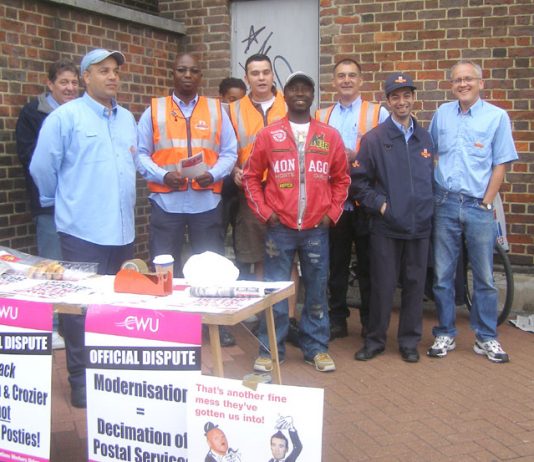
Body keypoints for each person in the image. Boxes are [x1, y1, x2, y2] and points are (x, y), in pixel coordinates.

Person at [30, 48, 138, 408]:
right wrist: (57, 200)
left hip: (122, 232)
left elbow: (133, 163)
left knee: (116, 306)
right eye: (102, 70)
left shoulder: (126, 119)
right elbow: (42, 166)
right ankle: (80, 378)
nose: (112, 76)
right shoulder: (65, 118)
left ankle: (110, 374)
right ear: (85, 77)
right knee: (79, 308)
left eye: (116, 71)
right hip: (82, 232)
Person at [243, 71, 350, 372]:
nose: (300, 93)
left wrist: (332, 214)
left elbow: (342, 179)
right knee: (276, 291)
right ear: (284, 95)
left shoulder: (328, 136)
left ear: (313, 95)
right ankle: (268, 350)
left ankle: (316, 348)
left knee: (317, 289)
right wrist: (266, 212)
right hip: (280, 229)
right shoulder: (269, 135)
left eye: (306, 88)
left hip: (316, 229)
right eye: (294, 88)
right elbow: (251, 177)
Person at [137, 53, 237, 347]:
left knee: (211, 266)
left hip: (205, 202)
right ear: (173, 73)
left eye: (194, 71)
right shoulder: (154, 110)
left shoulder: (216, 110)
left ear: (200, 76)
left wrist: (215, 174)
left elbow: (230, 151)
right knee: (164, 265)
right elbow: (140, 153)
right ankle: (168, 323)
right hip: (167, 201)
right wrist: (162, 174)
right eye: (182, 70)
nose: (188, 75)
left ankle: (214, 322)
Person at [427, 61, 518, 363]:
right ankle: (445, 332)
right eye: (457, 80)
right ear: (451, 85)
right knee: (442, 274)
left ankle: (486, 337)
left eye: (468, 79)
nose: (462, 84)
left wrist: (487, 202)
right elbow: (430, 154)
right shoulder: (442, 115)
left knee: (484, 277)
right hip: (445, 203)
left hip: (479, 205)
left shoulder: (496, 117)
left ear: (481, 83)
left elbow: (501, 164)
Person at [352, 72, 434, 363]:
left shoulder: (425, 138)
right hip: (386, 227)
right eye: (395, 96)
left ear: (413, 98)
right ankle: (374, 340)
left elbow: (429, 179)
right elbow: (358, 182)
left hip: (419, 225)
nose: (402, 101)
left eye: (406, 95)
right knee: (382, 287)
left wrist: (428, 209)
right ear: (388, 101)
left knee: (414, 286)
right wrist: (382, 206)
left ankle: (409, 341)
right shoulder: (374, 139)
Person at [315, 58, 389, 340]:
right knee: (336, 266)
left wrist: (359, 157)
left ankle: (370, 321)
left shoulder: (377, 113)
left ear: (361, 81)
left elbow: (387, 152)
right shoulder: (321, 116)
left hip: (365, 202)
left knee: (370, 265)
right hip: (334, 203)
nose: (346, 80)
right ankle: (337, 319)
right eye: (341, 76)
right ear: (334, 82)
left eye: (352, 76)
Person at [15, 58, 80, 350]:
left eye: (74, 82)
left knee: (77, 267)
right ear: (50, 84)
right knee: (51, 265)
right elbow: (32, 159)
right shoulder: (33, 113)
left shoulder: (82, 113)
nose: (69, 88)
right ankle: (52, 326)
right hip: (50, 204)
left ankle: (76, 323)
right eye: (63, 82)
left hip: (80, 205)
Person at [228, 54, 286, 280]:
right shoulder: (233, 110)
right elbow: (225, 150)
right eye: (255, 73)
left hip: (285, 191)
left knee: (285, 254)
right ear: (246, 78)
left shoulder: (288, 103)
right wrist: (234, 171)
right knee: (258, 256)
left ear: (272, 75)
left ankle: (285, 315)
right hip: (251, 190)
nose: (261, 78)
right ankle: (264, 314)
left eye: (266, 72)